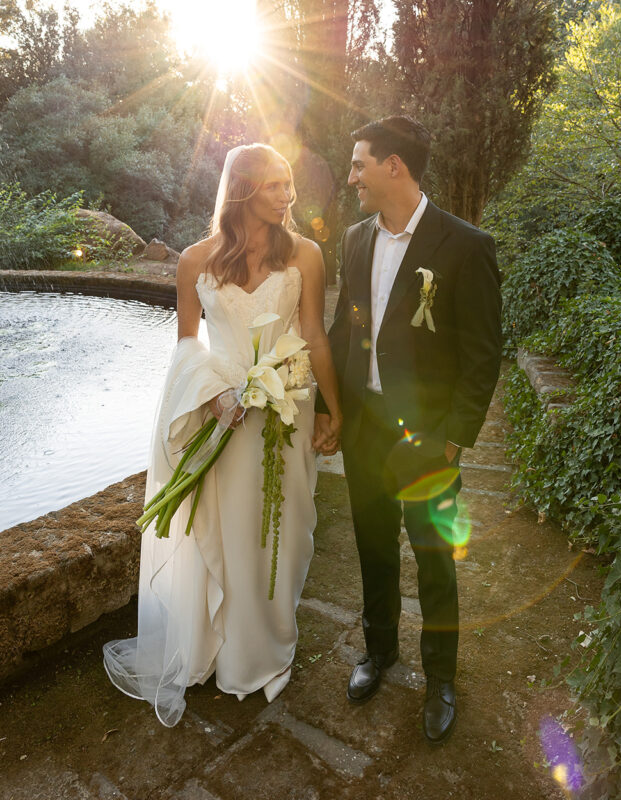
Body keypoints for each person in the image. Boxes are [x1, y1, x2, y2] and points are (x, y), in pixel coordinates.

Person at [104, 144, 342, 727]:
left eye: (289, 184)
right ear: (242, 190)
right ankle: (220, 649)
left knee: (283, 534)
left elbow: (313, 332)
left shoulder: (307, 255)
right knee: (231, 533)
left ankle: (264, 650)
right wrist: (215, 394)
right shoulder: (194, 261)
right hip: (223, 417)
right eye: (275, 186)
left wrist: (334, 410)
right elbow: (188, 344)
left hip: (285, 412)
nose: (288, 195)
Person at [315, 116, 502, 744]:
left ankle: (441, 678)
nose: (352, 176)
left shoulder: (466, 246)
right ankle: (379, 653)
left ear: (395, 165)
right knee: (372, 549)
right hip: (366, 428)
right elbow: (345, 327)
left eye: (360, 163)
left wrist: (454, 438)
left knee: (434, 559)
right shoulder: (354, 240)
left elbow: (482, 355)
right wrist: (326, 405)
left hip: (427, 436)